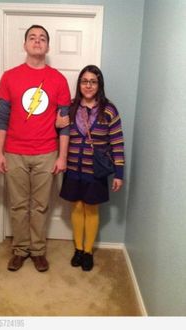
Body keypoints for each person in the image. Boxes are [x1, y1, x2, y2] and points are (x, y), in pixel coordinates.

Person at [0, 25, 71, 272]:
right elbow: (2, 119)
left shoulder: (58, 79)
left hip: (47, 153)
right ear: (25, 44)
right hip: (14, 152)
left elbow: (65, 125)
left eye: (42, 39)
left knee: (40, 206)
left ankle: (37, 250)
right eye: (32, 37)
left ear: (47, 46)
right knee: (17, 205)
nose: (37, 42)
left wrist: (62, 157)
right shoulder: (9, 77)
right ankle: (20, 250)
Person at [58, 64, 125, 271]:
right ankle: (78, 249)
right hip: (72, 169)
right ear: (79, 84)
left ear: (99, 85)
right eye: (84, 81)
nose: (88, 85)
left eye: (93, 82)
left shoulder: (109, 110)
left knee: (91, 209)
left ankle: (88, 252)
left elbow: (117, 142)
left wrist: (119, 173)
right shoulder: (70, 107)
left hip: (95, 171)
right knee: (76, 207)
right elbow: (60, 134)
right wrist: (57, 124)